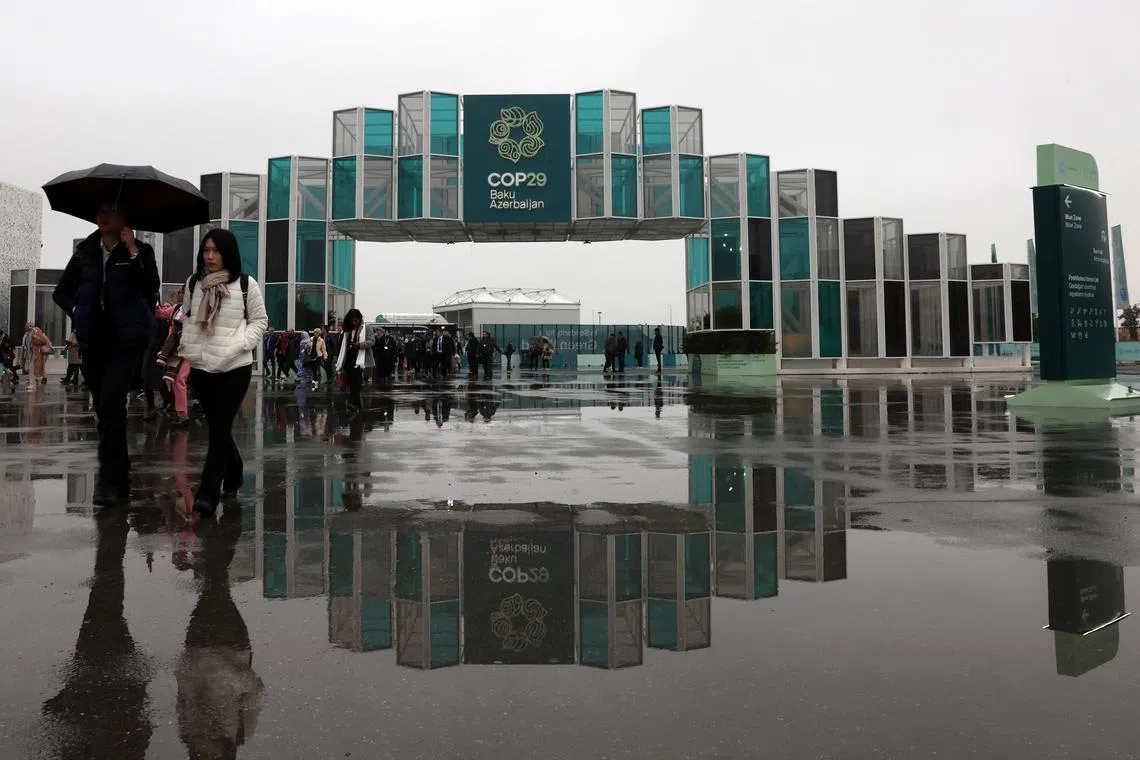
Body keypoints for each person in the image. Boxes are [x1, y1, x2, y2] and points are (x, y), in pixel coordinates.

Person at [54, 201, 160, 505]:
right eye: (100, 210)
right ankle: (120, 470)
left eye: (112, 210)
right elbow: (62, 291)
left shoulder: (139, 251)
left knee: (113, 399)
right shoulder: (86, 252)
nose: (103, 215)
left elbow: (151, 286)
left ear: (126, 217)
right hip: (93, 339)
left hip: (126, 339)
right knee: (104, 409)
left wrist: (133, 251)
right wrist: (78, 311)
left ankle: (109, 480)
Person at [179, 228, 268, 516]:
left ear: (228, 252)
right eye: (206, 250)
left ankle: (207, 494)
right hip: (203, 366)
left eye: (216, 250)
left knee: (219, 431)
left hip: (234, 367)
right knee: (219, 428)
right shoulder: (194, 283)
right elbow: (188, 319)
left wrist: (241, 343)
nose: (210, 256)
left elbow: (260, 320)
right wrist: (189, 349)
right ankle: (235, 470)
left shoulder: (245, 284)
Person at [334, 309, 375, 411]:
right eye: (352, 320)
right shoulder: (348, 330)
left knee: (356, 381)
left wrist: (360, 345)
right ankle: (353, 403)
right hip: (349, 359)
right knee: (351, 382)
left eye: (355, 320)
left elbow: (372, 341)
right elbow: (343, 345)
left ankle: (355, 403)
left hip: (359, 359)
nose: (354, 323)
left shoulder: (367, 328)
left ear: (359, 319)